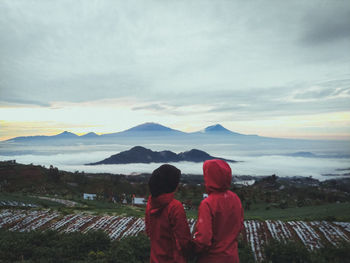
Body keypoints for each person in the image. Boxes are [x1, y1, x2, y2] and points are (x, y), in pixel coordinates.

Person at [193, 159, 244, 263]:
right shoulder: (235, 198)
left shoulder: (208, 203)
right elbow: (239, 227)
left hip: (211, 258)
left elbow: (204, 240)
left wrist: (190, 251)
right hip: (232, 257)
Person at [145, 164, 192, 263]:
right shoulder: (175, 206)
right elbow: (184, 241)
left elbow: (149, 231)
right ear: (171, 184)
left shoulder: (150, 203)